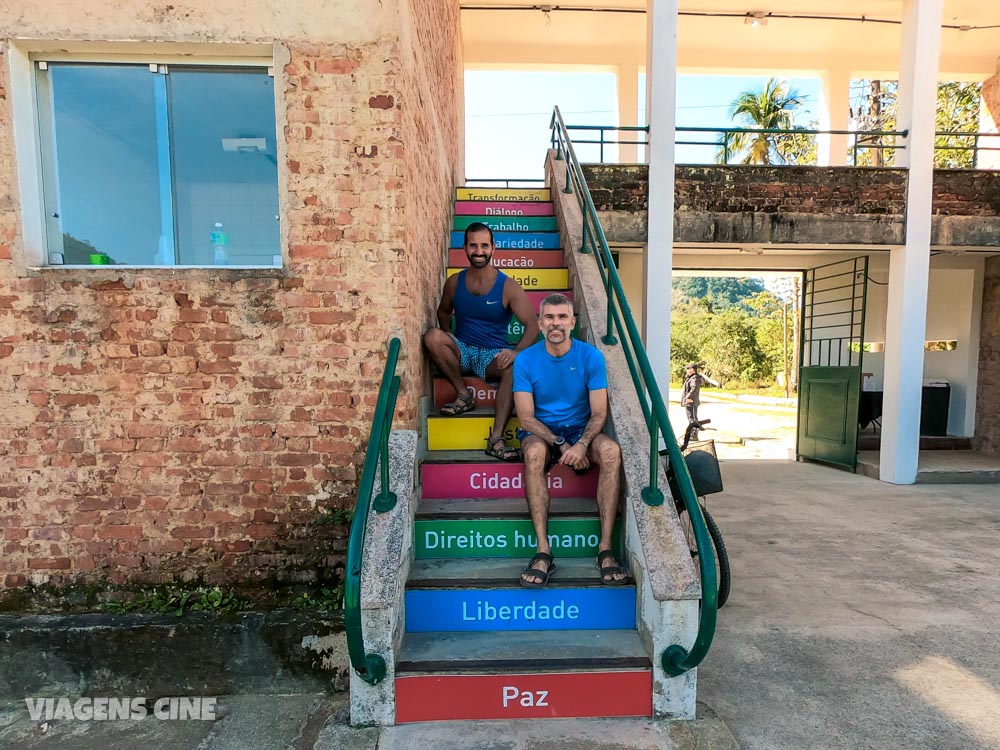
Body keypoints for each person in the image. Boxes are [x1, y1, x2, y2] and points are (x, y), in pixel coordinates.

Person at [512, 293, 626, 588]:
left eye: (562, 317)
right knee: (535, 455)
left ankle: (605, 549)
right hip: (541, 431)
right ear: (539, 323)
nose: (556, 323)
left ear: (573, 322)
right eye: (549, 317)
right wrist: (563, 443)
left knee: (612, 452)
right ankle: (543, 551)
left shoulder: (590, 356)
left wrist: (582, 444)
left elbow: (599, 412)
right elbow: (525, 417)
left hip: (581, 430)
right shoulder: (525, 360)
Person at [423, 222, 539, 461]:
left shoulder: (508, 286)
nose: (479, 251)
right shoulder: (454, 282)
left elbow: (533, 325)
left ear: (493, 248)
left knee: (515, 367)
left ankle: (496, 438)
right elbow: (443, 311)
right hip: (463, 349)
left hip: (492, 355)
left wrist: (516, 351)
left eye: (484, 245)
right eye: (473, 245)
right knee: (432, 336)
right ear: (465, 247)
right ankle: (464, 395)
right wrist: (449, 334)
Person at [681, 362, 719, 427]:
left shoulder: (694, 378)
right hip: (690, 402)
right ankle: (693, 433)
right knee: (691, 418)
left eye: (688, 368)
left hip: (691, 402)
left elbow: (694, 388)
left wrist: (687, 397)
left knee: (692, 419)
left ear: (692, 369)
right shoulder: (691, 378)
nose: (687, 370)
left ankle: (694, 433)